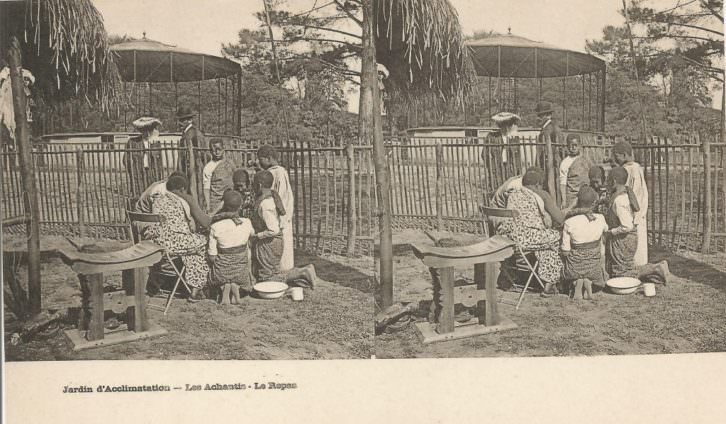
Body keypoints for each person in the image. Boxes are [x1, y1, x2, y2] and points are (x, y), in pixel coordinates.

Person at [497, 167, 563, 295]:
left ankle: (510, 277)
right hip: (528, 238)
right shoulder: (541, 194)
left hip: (509, 238)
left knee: (546, 243)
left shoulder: (513, 193)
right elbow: (560, 219)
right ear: (538, 184)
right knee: (558, 237)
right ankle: (549, 281)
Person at [145, 175, 209, 301]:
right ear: (182, 189)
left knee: (193, 252)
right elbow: (204, 223)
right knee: (203, 243)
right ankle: (196, 287)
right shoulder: (183, 200)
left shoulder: (157, 199)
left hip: (158, 243)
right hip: (175, 243)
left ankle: (192, 288)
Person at [249, 170, 318, 287]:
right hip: (274, 241)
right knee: (271, 271)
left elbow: (273, 229)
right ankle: (304, 271)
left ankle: (302, 273)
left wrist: (257, 236)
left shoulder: (265, 205)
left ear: (260, 185)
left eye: (254, 184)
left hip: (270, 243)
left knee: (267, 278)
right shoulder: (272, 196)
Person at [605, 167, 671, 284]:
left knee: (622, 272)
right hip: (629, 238)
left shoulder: (619, 200)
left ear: (614, 181)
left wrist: (612, 232)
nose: (607, 183)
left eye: (608, 180)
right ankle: (655, 270)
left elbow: (627, 226)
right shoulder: (625, 194)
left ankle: (655, 268)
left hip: (624, 239)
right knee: (623, 267)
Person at [561, 186, 609, 299]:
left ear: (577, 202)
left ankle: (576, 282)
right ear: (594, 203)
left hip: (574, 269)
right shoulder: (600, 218)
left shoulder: (569, 222)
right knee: (598, 275)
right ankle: (589, 282)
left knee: (566, 267)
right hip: (594, 268)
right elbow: (606, 230)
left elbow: (565, 251)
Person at [208, 190, 254, 305]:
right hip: (241, 270)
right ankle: (236, 287)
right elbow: (252, 234)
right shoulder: (247, 222)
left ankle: (224, 287)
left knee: (214, 267)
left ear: (223, 206)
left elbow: (212, 256)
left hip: (222, 271)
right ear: (240, 206)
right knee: (245, 251)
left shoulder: (215, 226)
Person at [257, 144, 295, 272]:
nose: (259, 162)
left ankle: (285, 273)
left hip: (279, 214)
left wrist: (279, 215)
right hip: (273, 215)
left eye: (261, 159)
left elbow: (282, 196)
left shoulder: (279, 172)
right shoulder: (271, 172)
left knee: (283, 248)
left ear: (268, 158)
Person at [612, 141, 648, 266]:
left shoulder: (628, 170)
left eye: (617, 155)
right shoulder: (637, 167)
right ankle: (640, 266)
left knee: (633, 242)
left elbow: (627, 190)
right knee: (640, 241)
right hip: (640, 208)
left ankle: (636, 268)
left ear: (624, 155)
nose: (615, 158)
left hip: (632, 209)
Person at [124, 117, 163, 196]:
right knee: (138, 191)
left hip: (151, 172)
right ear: (142, 131)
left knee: (152, 192)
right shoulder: (133, 142)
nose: (148, 133)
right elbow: (126, 159)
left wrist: (157, 173)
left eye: (150, 130)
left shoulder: (155, 143)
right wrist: (132, 170)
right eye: (145, 131)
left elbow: (159, 161)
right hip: (138, 171)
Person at [202, 138, 235, 214]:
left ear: (223, 149)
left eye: (219, 149)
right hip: (216, 201)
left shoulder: (230, 163)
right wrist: (208, 206)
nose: (216, 152)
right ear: (210, 151)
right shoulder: (208, 167)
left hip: (230, 200)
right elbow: (206, 188)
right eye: (213, 150)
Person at [558, 134, 591, 210]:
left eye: (575, 145)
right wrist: (564, 200)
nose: (573, 147)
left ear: (580, 145)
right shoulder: (565, 163)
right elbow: (563, 183)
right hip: (572, 196)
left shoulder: (586, 160)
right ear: (567, 146)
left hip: (585, 196)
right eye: (571, 145)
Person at [536, 101, 561, 195]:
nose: (538, 118)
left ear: (548, 115)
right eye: (538, 115)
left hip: (551, 165)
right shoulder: (546, 129)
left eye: (541, 115)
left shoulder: (550, 129)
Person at [176, 105, 205, 181]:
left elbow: (201, 153)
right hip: (186, 168)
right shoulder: (186, 132)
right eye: (179, 120)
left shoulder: (193, 133)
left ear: (190, 120)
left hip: (193, 169)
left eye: (182, 120)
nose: (179, 123)